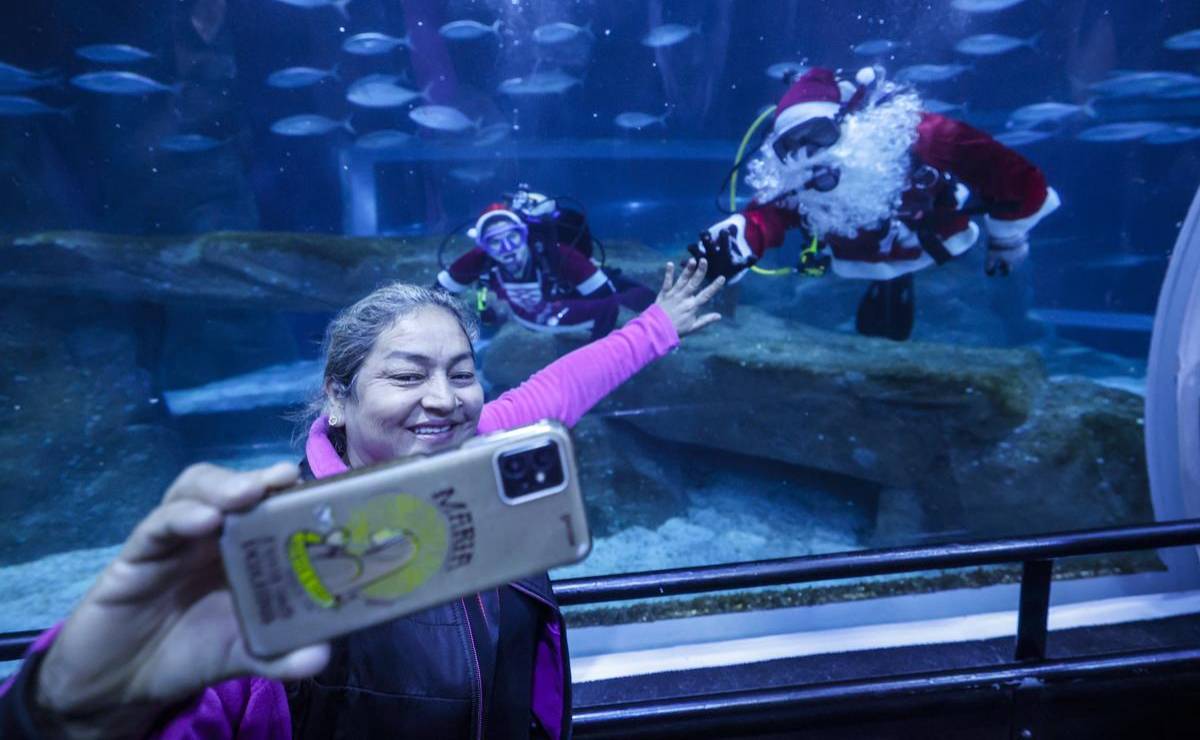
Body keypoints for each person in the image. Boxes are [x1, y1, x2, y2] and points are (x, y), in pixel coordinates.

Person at [0, 259, 724, 739]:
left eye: (462, 372)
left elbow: (561, 387)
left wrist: (656, 325)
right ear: (338, 400)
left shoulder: (474, 450)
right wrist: (67, 706)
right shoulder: (280, 551)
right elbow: (199, 699)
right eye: (407, 377)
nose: (442, 399)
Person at [688, 66, 1061, 341]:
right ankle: (889, 288)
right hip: (853, 252)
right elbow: (766, 214)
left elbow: (1009, 174)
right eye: (791, 144)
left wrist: (1007, 239)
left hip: (936, 233)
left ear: (846, 122)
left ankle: (899, 284)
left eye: (819, 134)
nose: (809, 154)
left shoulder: (917, 136)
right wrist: (739, 238)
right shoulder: (794, 179)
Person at [436, 189, 657, 340]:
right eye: (495, 242)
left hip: (572, 310)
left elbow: (608, 301)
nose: (507, 248)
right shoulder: (478, 260)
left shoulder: (559, 256)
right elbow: (438, 294)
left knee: (637, 296)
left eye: (512, 237)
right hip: (535, 320)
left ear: (524, 234)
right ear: (484, 246)